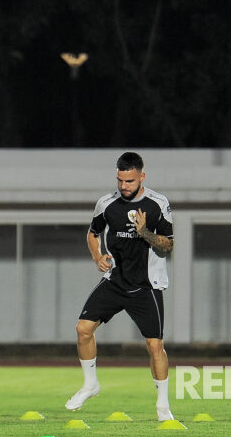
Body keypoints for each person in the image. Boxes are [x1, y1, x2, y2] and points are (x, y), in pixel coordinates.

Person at [65, 152, 175, 421]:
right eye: (120, 180)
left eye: (129, 180)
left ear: (142, 177)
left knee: (155, 346)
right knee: (83, 330)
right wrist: (98, 256)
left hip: (146, 286)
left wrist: (145, 233)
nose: (124, 186)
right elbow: (92, 233)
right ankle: (91, 384)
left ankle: (163, 407)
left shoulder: (157, 204)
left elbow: (168, 244)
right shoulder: (106, 204)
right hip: (115, 282)